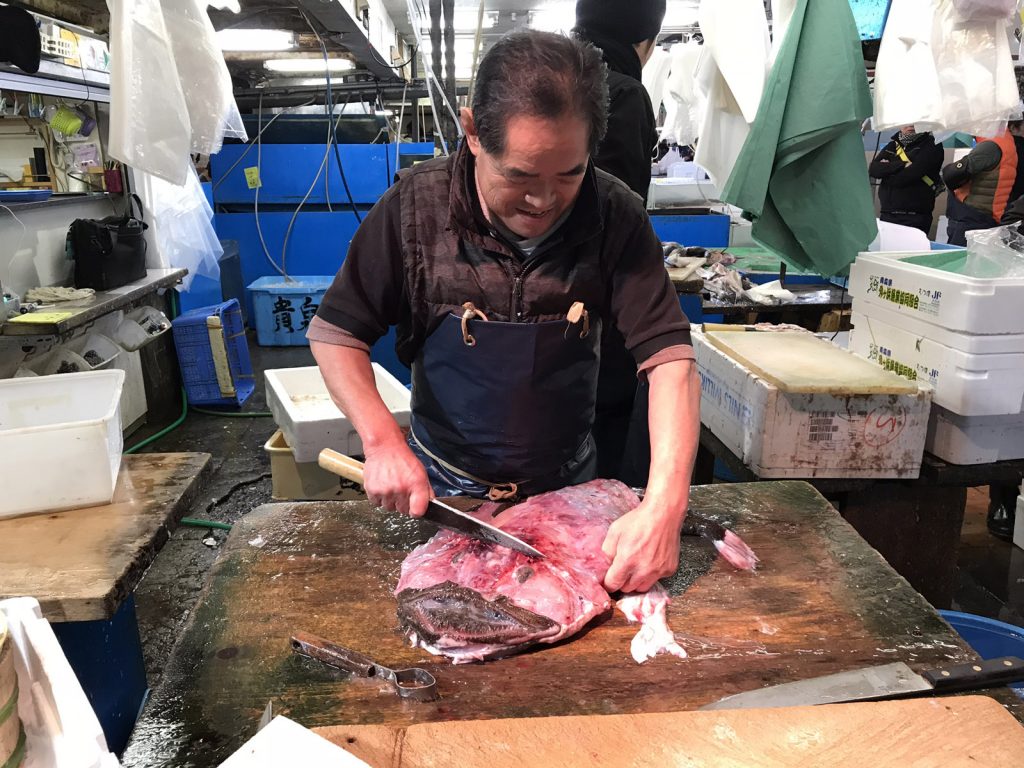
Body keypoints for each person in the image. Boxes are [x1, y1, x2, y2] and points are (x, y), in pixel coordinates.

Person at [307, 30, 699, 595]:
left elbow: (670, 358)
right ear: (472, 133)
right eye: (518, 176)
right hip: (442, 487)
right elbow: (336, 332)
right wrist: (381, 443)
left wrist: (664, 505)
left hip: (569, 488)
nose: (543, 201)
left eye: (568, 174)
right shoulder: (415, 209)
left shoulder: (615, 213)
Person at [573, 0, 666, 485]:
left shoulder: (554, 73)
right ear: (644, 41)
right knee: (597, 469)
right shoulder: (624, 94)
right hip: (592, 320)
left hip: (521, 318)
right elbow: (618, 217)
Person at [941, 120, 1024, 246]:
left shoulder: (991, 145)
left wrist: (951, 170)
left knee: (959, 259)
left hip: (972, 217)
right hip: (989, 215)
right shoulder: (1007, 142)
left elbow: (951, 174)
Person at [868, 125, 944, 235]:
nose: (910, 125)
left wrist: (887, 171)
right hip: (887, 214)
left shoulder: (932, 145)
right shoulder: (892, 145)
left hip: (915, 216)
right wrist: (902, 165)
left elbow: (909, 175)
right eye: (906, 121)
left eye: (915, 121)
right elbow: (874, 169)